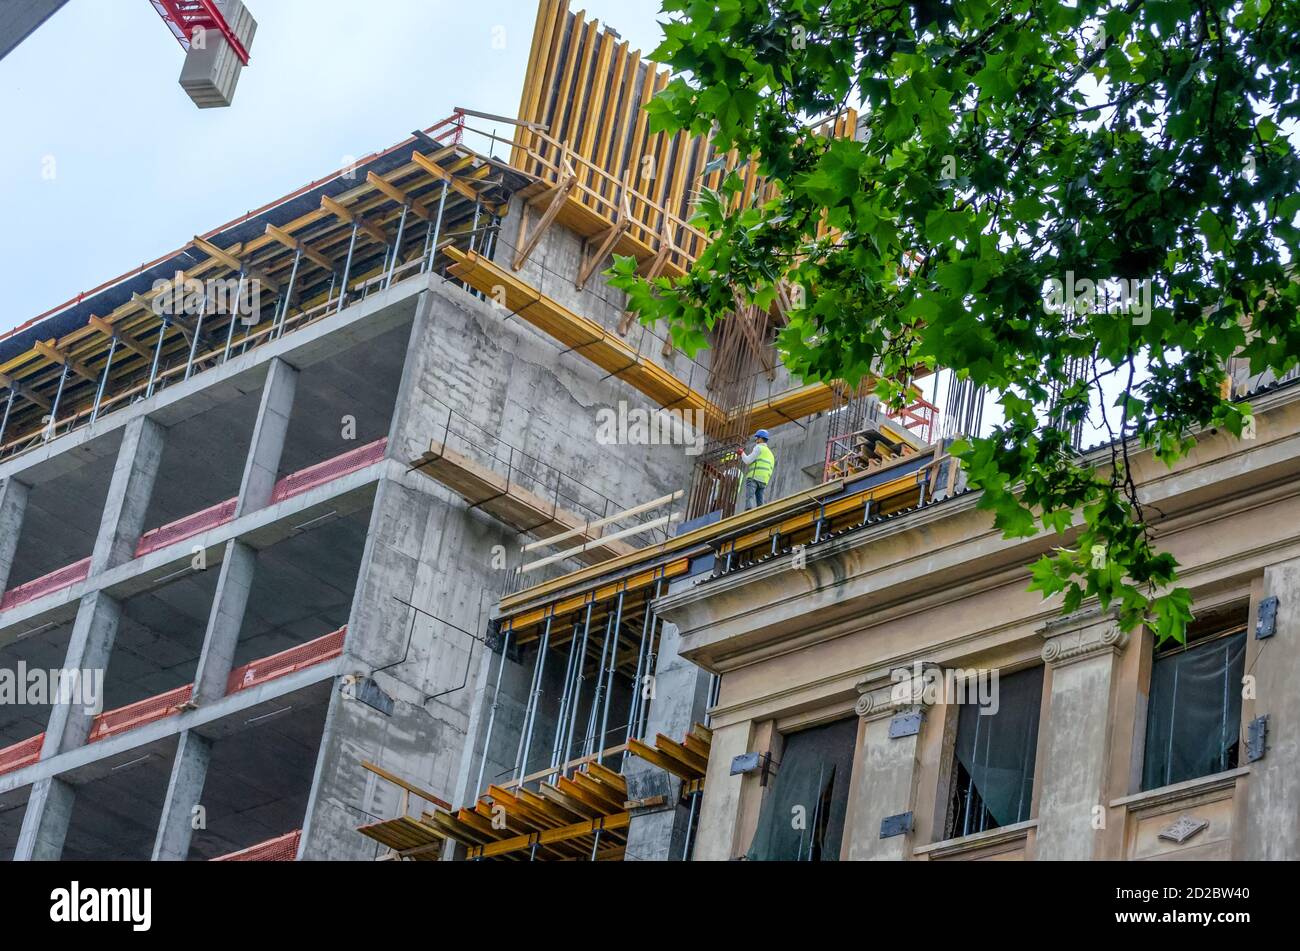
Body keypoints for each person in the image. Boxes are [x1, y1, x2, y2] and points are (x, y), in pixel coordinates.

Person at [737, 429, 775, 511]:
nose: (756, 440)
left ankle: (748, 512)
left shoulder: (758, 448)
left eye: (757, 438)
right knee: (760, 502)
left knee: (749, 498)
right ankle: (761, 513)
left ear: (761, 439)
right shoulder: (771, 454)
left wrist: (741, 453)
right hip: (764, 481)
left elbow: (747, 461)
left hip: (754, 477)